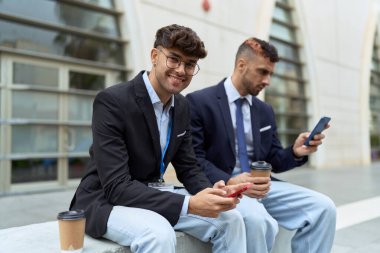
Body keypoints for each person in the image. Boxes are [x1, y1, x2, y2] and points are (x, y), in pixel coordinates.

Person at [69, 24, 252, 253]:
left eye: (190, 64)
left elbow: (189, 167)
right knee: (158, 234)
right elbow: (116, 186)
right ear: (155, 56)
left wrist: (210, 192)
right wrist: (190, 204)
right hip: (105, 200)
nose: (181, 70)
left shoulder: (182, 106)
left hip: (152, 194)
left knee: (231, 220)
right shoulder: (112, 101)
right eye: (174, 59)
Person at [186, 37, 337, 253]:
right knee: (260, 221)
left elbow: (273, 158)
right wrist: (230, 179)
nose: (267, 81)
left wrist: (295, 151)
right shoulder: (200, 102)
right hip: (226, 187)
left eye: (270, 74)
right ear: (241, 65)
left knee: (324, 208)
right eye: (263, 72)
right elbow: (194, 159)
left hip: (263, 187)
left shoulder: (264, 110)